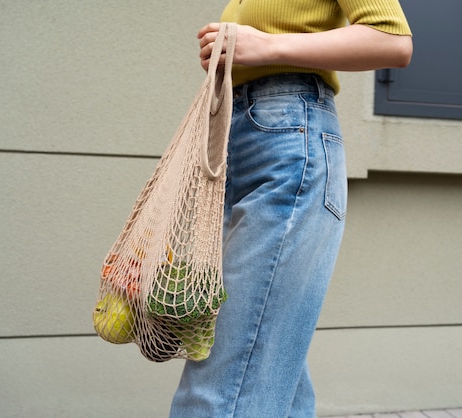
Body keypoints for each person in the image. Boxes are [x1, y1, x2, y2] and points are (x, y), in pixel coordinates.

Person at [170, 1, 412, 417]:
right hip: (235, 138)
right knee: (268, 359)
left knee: (226, 375)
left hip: (287, 141)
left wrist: (266, 47)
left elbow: (391, 39)